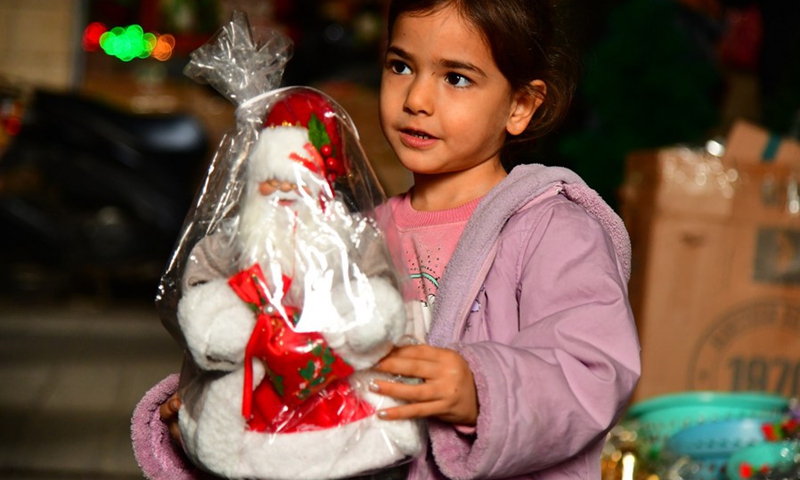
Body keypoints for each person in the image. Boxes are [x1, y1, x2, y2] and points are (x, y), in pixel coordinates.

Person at [133, 0, 641, 479]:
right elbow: (302, 355)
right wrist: (220, 412)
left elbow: (594, 369)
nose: (417, 99)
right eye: (400, 66)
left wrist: (482, 388)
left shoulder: (553, 230)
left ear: (521, 106)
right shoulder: (354, 237)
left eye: (456, 78)